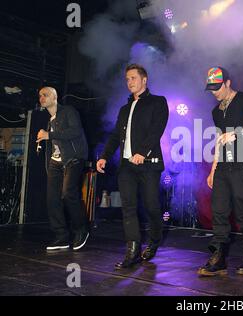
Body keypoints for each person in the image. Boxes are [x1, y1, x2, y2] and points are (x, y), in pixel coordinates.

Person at [198, 67, 243, 277]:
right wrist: (213, 170)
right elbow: (219, 142)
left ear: (228, 83)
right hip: (223, 167)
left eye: (218, 87)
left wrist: (238, 133)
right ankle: (218, 257)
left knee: (242, 210)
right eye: (211, 89)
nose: (215, 92)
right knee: (219, 212)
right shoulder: (216, 112)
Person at [96, 64, 169, 270]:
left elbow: (157, 130)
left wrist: (142, 151)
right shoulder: (124, 108)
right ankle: (133, 251)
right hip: (127, 166)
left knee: (152, 206)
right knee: (128, 208)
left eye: (133, 78)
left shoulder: (158, 102)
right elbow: (115, 135)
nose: (129, 82)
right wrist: (104, 156)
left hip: (148, 164)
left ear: (144, 80)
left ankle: (155, 238)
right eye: (127, 79)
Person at [37, 87, 90, 251]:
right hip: (56, 162)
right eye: (40, 96)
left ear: (54, 97)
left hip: (73, 158)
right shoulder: (50, 120)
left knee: (68, 193)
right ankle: (61, 236)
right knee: (52, 199)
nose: (41, 98)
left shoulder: (68, 111)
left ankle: (81, 229)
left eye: (45, 95)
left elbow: (75, 131)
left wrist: (49, 135)